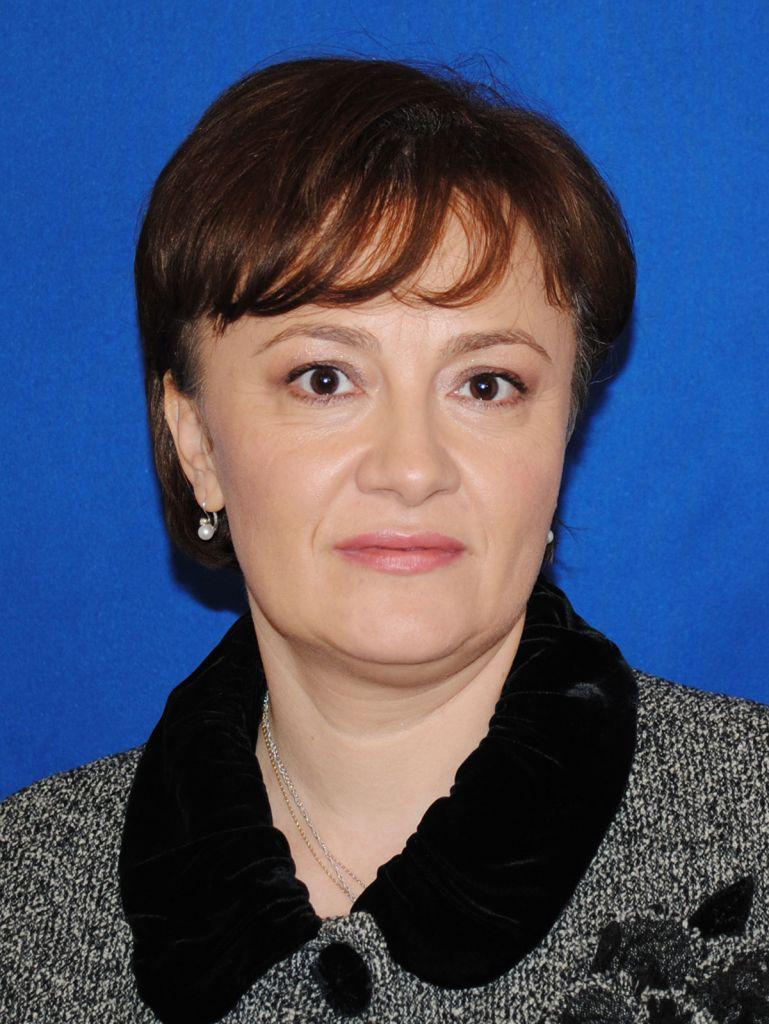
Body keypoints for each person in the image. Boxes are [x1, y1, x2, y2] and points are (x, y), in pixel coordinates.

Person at [1, 55, 767, 1024]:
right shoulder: (23, 897)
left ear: (560, 436)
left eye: (485, 384)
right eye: (324, 379)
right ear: (195, 441)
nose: (411, 468)